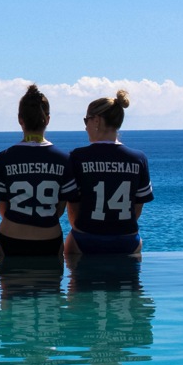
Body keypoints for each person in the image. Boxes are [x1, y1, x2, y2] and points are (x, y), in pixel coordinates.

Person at [65, 89, 154, 256]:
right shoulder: (138, 159)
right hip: (127, 240)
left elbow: (72, 208)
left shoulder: (77, 157)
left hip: (85, 238)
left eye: (86, 120)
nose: (85, 127)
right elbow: (137, 208)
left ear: (97, 120)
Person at [0, 84, 77, 259]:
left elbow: (3, 207)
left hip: (11, 237)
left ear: (20, 119)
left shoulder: (5, 158)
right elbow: (60, 209)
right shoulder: (64, 160)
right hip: (49, 239)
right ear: (47, 119)